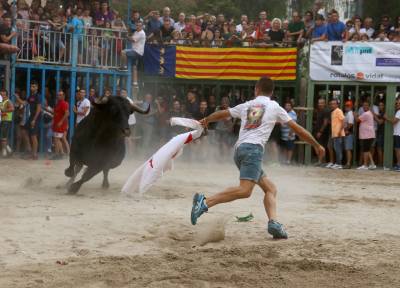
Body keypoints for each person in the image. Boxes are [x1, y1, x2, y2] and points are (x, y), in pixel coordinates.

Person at [191, 76, 325, 239]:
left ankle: (274, 222)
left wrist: (206, 120)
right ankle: (205, 202)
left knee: (270, 189)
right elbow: (299, 130)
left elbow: (223, 113)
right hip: (253, 150)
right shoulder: (274, 107)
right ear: (272, 92)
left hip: (240, 150)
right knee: (245, 191)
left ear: (257, 89)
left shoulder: (248, 105)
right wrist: (317, 145)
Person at [121, 21, 145, 86]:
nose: (138, 26)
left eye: (139, 25)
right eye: (137, 25)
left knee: (123, 52)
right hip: (135, 50)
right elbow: (131, 36)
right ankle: (135, 82)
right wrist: (128, 33)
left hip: (137, 52)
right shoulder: (136, 32)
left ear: (142, 26)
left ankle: (124, 67)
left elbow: (132, 40)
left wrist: (126, 36)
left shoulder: (141, 33)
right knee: (134, 66)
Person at [356, 101, 377, 170]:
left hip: (367, 135)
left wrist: (355, 114)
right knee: (367, 150)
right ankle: (372, 164)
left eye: (366, 105)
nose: (365, 107)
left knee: (366, 150)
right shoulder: (369, 113)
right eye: (363, 106)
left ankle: (365, 165)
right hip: (368, 135)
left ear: (369, 107)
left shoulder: (366, 114)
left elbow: (357, 120)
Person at [26, 81, 42, 160]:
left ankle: (35, 154)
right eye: (31, 86)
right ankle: (31, 151)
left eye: (34, 86)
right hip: (31, 117)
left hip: (35, 118)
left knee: (33, 136)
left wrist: (34, 120)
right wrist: (17, 97)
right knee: (25, 132)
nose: (32, 88)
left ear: (37, 87)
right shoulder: (30, 96)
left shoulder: (38, 96)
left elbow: (39, 109)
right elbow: (25, 103)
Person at [52, 91, 69, 159]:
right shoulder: (58, 103)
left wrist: (61, 122)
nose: (59, 96)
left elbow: (67, 113)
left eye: (60, 95)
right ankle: (61, 153)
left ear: (63, 96)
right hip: (57, 124)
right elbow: (56, 113)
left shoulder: (63, 103)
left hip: (60, 125)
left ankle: (58, 154)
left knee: (57, 139)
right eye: (58, 95)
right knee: (58, 139)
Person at [384, 99, 400, 171]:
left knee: (397, 149)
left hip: (398, 133)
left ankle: (399, 165)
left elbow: (394, 121)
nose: (397, 105)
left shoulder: (399, 112)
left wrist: (386, 118)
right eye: (396, 103)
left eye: (398, 104)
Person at [314, 98, 330, 165]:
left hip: (323, 133)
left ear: (324, 104)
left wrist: (320, 131)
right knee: (319, 146)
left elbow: (325, 122)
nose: (320, 104)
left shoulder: (326, 111)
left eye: (321, 103)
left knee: (321, 146)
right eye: (319, 103)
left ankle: (321, 161)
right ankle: (322, 161)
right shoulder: (319, 111)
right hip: (318, 131)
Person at [330, 99, 345, 169]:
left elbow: (343, 121)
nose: (332, 105)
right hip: (335, 134)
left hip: (338, 134)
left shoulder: (339, 111)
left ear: (337, 104)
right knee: (336, 149)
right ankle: (337, 163)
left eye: (334, 104)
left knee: (338, 149)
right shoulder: (333, 112)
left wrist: (339, 131)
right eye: (331, 104)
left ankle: (339, 164)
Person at [0, 89, 14, 157]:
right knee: (3, 136)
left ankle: (4, 152)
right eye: (1, 95)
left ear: (6, 95)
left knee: (4, 136)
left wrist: (4, 110)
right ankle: (9, 150)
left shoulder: (8, 101)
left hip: (6, 120)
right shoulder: (1, 102)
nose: (2, 96)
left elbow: (12, 109)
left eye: (4, 95)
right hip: (2, 120)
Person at [343, 101, 354, 169]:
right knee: (347, 149)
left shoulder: (350, 114)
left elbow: (350, 124)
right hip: (347, 133)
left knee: (348, 149)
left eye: (348, 106)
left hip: (348, 134)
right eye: (346, 105)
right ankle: (347, 163)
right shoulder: (347, 113)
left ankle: (348, 163)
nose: (347, 107)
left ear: (351, 106)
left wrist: (346, 130)